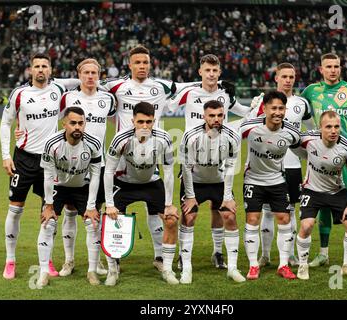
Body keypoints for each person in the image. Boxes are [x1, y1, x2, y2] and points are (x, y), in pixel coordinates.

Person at [99, 45, 196, 271]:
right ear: (130, 64)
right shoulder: (116, 85)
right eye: (138, 62)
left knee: (157, 210)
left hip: (152, 152)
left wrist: (218, 85)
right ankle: (115, 257)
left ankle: (160, 257)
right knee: (116, 213)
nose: (142, 66)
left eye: (145, 62)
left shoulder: (160, 86)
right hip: (123, 154)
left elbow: (191, 86)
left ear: (150, 64)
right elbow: (89, 83)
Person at [169, 53, 250, 270]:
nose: (211, 74)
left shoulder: (225, 95)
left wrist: (258, 102)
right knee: (189, 214)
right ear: (200, 72)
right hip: (192, 162)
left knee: (220, 211)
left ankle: (217, 253)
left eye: (215, 71)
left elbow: (246, 113)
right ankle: (182, 255)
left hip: (218, 163)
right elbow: (167, 104)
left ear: (220, 72)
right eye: (207, 70)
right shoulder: (190, 91)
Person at [301, 53, 347, 270]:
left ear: (341, 68)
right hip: (320, 155)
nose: (333, 70)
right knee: (322, 201)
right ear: (320, 69)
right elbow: (294, 109)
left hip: (346, 156)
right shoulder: (310, 91)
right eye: (329, 66)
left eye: (336, 66)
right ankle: (323, 253)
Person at [0, 53, 69, 279]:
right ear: (30, 70)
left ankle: (46, 260)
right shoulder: (20, 94)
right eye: (37, 66)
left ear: (50, 70)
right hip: (24, 159)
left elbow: (83, 80)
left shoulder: (59, 89)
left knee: (49, 210)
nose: (40, 70)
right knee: (15, 208)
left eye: (44, 66)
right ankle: (10, 260)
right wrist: (5, 156)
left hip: (51, 161)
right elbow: (5, 123)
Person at [103, 102, 179, 285]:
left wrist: (168, 204)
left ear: (154, 121)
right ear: (133, 121)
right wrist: (109, 204)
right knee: (110, 221)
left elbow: (168, 171)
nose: (145, 126)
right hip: (124, 183)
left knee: (171, 219)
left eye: (149, 122)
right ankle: (113, 270)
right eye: (141, 122)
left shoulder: (164, 138)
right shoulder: (121, 138)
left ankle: (165, 265)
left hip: (151, 183)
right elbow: (108, 171)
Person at [248, 63, 315, 268]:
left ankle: (290, 255)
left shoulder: (301, 103)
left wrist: (309, 164)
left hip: (293, 165)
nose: (288, 80)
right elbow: (251, 132)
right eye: (284, 76)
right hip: (265, 165)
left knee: (290, 211)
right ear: (276, 77)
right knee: (267, 211)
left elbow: (311, 133)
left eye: (291, 76)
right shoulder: (265, 101)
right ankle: (266, 255)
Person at [56, 58, 116, 277]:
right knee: (70, 212)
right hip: (71, 164)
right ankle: (68, 261)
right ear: (79, 75)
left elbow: (118, 121)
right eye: (86, 72)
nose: (90, 76)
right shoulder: (68, 97)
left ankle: (96, 260)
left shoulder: (108, 99)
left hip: (97, 163)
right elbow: (57, 124)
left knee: (95, 213)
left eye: (94, 73)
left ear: (99, 75)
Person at [179, 100, 246, 284]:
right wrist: (190, 196)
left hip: (218, 181)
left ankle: (231, 267)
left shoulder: (232, 136)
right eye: (212, 115)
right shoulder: (190, 136)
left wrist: (227, 197)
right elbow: (185, 167)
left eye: (219, 115)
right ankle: (186, 267)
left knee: (230, 216)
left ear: (224, 115)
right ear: (204, 116)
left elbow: (231, 168)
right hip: (195, 181)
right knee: (189, 217)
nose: (216, 119)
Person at [36, 106, 102, 288]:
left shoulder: (94, 144)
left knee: (93, 223)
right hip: (59, 186)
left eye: (81, 123)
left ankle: (92, 270)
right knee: (47, 223)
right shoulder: (52, 143)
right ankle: (43, 272)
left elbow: (96, 175)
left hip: (82, 186)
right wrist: (48, 205)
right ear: (64, 123)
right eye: (73, 123)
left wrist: (91, 206)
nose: (77, 127)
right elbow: (48, 175)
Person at [240, 91, 301, 280]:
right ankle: (253, 266)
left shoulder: (291, 132)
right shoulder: (250, 127)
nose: (277, 112)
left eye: (281, 108)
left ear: (285, 109)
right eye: (273, 108)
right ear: (264, 109)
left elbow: (305, 149)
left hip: (277, 180)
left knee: (284, 219)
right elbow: (230, 138)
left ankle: (283, 265)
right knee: (252, 220)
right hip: (253, 180)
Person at [295, 110, 347, 280]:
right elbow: (291, 141)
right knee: (307, 226)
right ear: (320, 128)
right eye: (329, 127)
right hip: (311, 190)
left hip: (336, 191)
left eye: (337, 127)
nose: (333, 131)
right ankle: (302, 265)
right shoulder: (308, 138)